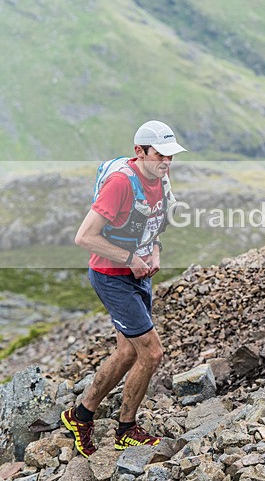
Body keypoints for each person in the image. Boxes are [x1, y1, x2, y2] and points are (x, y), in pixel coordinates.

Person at [62, 120, 187, 456]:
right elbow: (84, 236)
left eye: (171, 156)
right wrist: (131, 257)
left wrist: (154, 250)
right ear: (139, 152)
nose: (167, 162)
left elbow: (155, 223)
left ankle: (81, 415)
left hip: (139, 274)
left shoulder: (160, 178)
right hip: (111, 275)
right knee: (152, 352)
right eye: (160, 155)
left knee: (128, 352)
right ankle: (126, 429)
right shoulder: (120, 183)